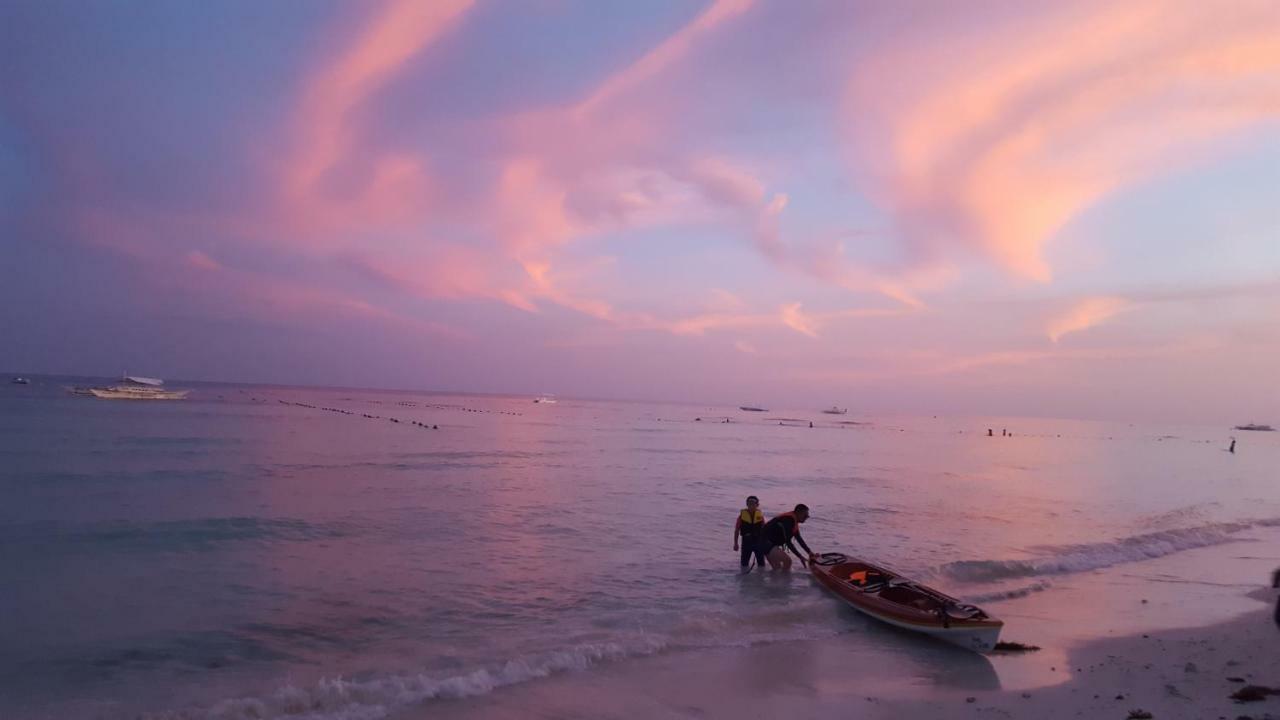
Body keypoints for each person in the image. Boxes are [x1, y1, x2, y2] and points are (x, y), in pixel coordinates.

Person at [758, 504, 816, 570]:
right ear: (799, 513)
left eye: (807, 516)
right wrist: (800, 556)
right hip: (765, 542)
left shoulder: (793, 520)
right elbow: (788, 542)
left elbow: (799, 539)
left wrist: (809, 552)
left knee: (777, 568)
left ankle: (776, 580)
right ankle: (786, 579)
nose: (807, 517)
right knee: (788, 561)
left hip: (767, 542)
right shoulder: (788, 521)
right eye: (805, 515)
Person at [732, 496, 766, 570]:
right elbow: (737, 530)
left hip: (758, 542)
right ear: (747, 505)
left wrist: (765, 542)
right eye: (749, 504)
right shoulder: (741, 517)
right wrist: (735, 543)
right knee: (744, 564)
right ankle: (744, 579)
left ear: (757, 505)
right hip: (747, 542)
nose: (751, 506)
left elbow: (765, 529)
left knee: (761, 564)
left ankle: (761, 579)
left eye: (753, 504)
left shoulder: (760, 516)